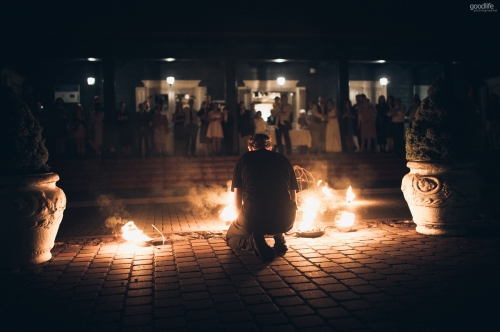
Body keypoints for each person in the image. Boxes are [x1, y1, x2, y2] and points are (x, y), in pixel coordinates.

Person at [226, 134, 299, 262]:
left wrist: (244, 222)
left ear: (249, 147)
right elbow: (293, 200)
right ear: (270, 147)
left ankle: (251, 241)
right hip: (285, 221)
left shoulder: (244, 160)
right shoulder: (284, 160)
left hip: (253, 219)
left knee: (231, 236)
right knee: (278, 206)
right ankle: (279, 239)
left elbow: (237, 204)